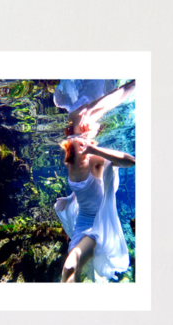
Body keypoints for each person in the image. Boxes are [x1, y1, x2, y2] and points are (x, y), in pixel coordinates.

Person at [54, 81, 136, 283]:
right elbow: (86, 190)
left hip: (91, 225)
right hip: (87, 225)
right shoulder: (77, 161)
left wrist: (93, 150)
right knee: (71, 266)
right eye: (78, 141)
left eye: (83, 139)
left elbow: (130, 161)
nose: (82, 137)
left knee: (71, 265)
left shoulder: (91, 160)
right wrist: (71, 197)